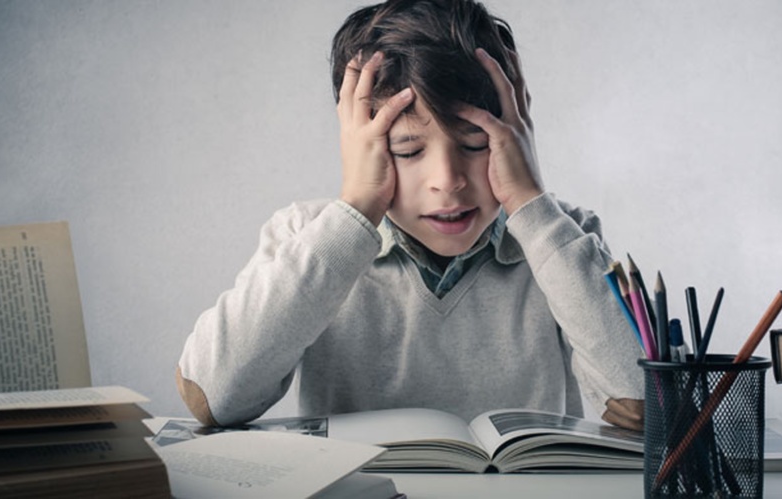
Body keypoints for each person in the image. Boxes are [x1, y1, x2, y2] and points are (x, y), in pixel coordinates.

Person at [175, 0, 645, 430]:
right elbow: (211, 398)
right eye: (408, 149)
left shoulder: (562, 238)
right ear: (359, 148)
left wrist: (530, 204)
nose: (448, 179)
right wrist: (355, 208)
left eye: (475, 144)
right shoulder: (307, 235)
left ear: (516, 136)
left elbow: (647, 406)